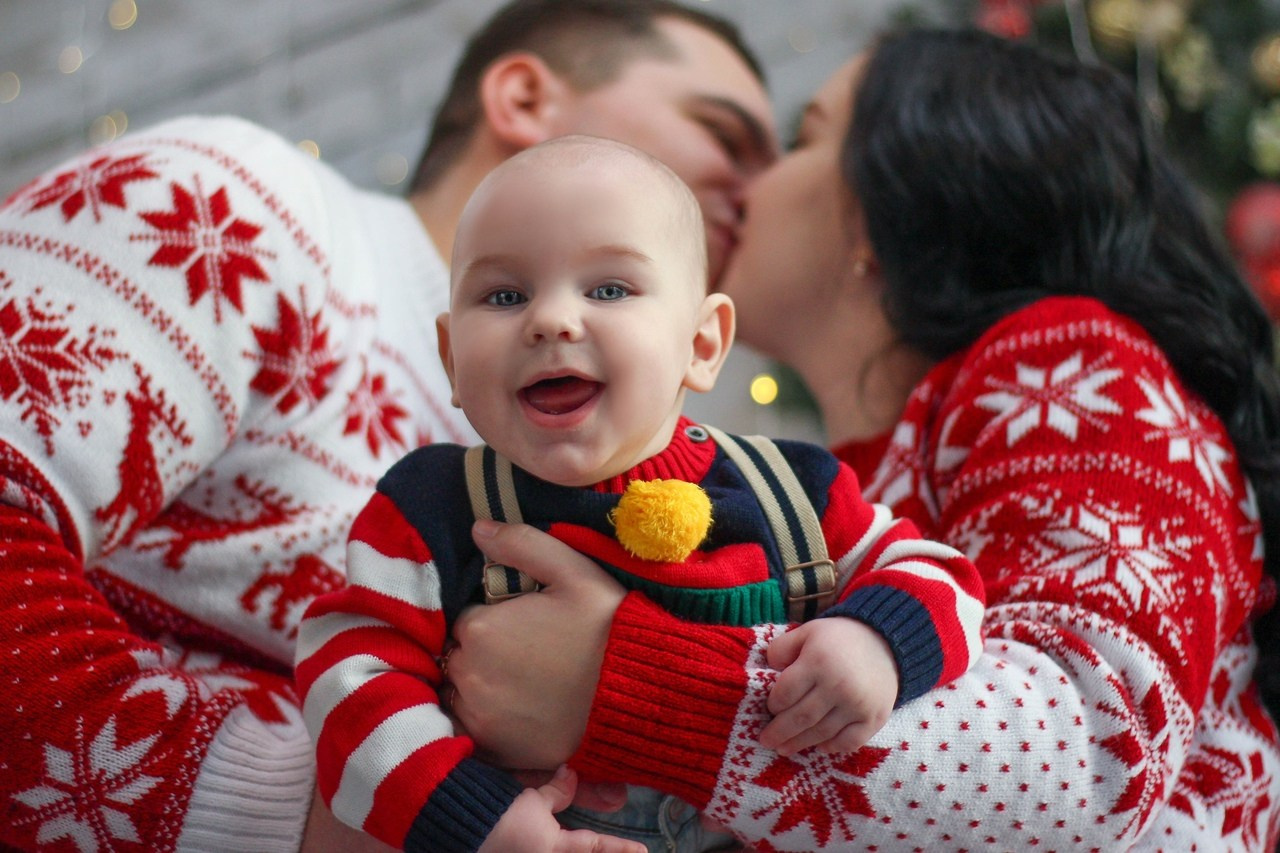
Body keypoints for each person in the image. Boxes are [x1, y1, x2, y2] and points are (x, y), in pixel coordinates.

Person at [440, 27, 1280, 852]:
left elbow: (1098, 756)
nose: (743, 187)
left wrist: (624, 687)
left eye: (801, 139)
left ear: (889, 207)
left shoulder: (1074, 370)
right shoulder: (805, 492)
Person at [0, 2, 779, 850]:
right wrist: (299, 813)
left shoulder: (586, 444)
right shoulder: (241, 206)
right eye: (723, 133)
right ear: (523, 98)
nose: (760, 193)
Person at [295, 135, 984, 853]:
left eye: (609, 290)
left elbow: (945, 577)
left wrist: (876, 642)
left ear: (702, 344)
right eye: (504, 296)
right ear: (450, 361)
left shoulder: (792, 491)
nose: (551, 319)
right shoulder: (432, 508)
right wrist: (484, 822)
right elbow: (349, 684)